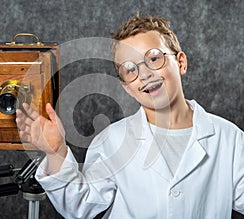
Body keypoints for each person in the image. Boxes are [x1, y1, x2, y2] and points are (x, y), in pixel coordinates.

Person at [16, 14, 244, 219]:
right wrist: (56, 152)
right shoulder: (112, 141)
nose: (144, 74)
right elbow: (80, 207)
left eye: (154, 59)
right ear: (126, 87)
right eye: (130, 69)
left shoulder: (229, 138)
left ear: (181, 62)